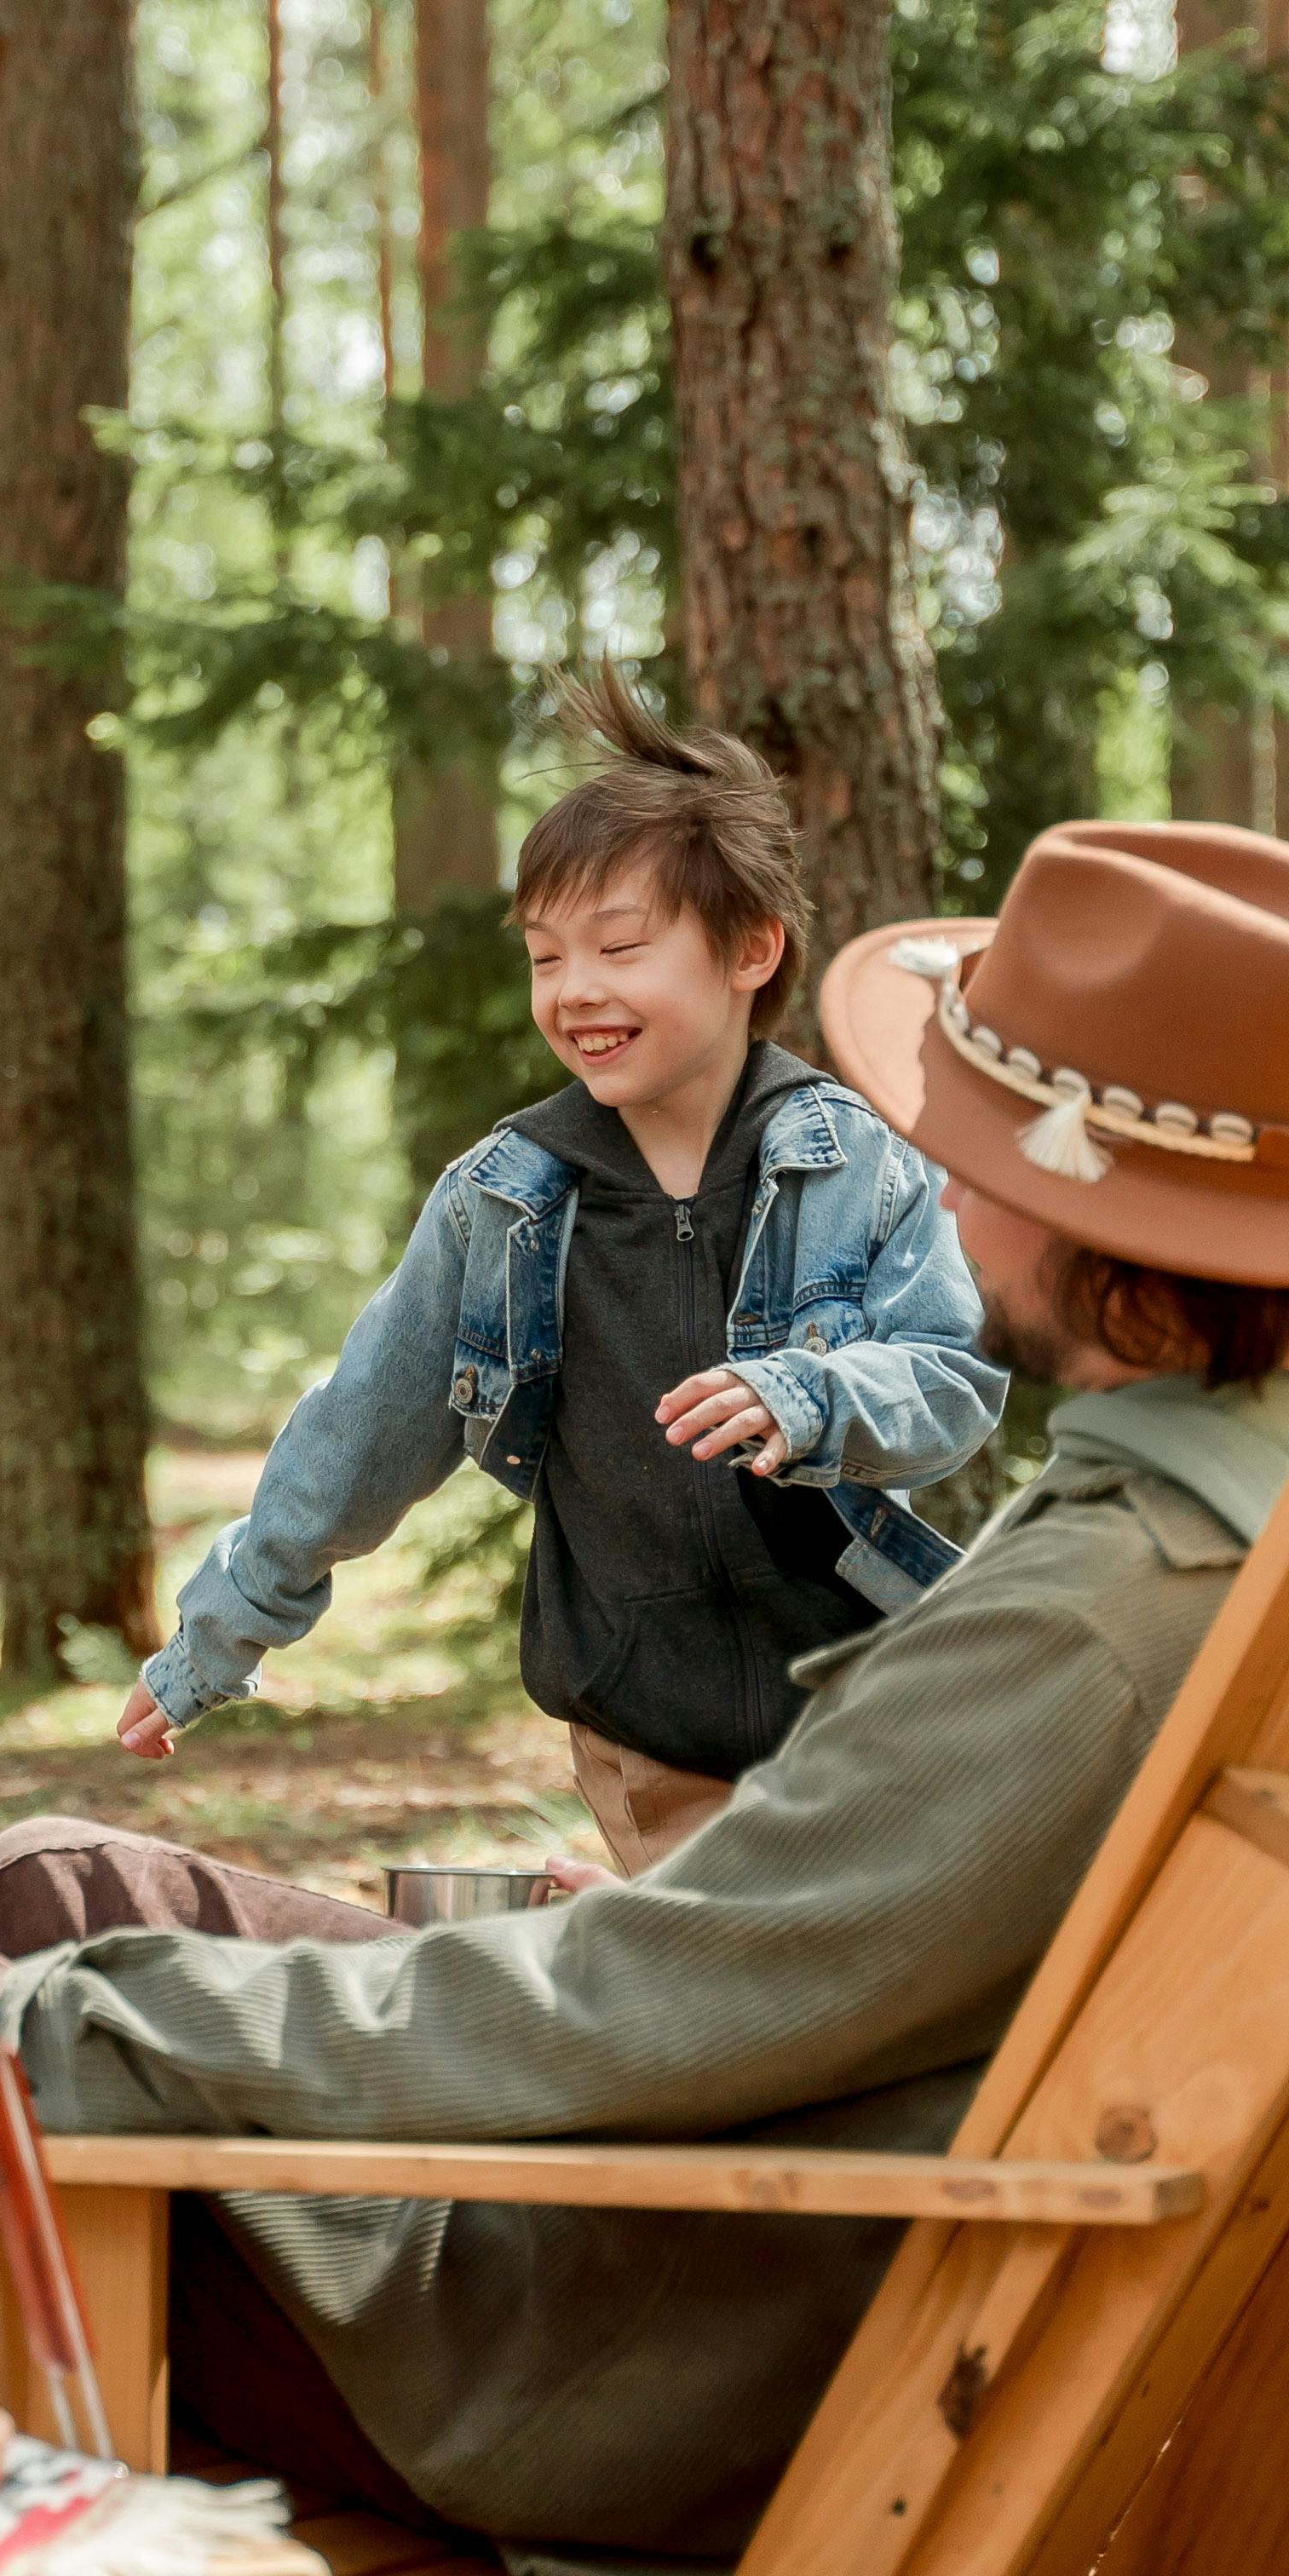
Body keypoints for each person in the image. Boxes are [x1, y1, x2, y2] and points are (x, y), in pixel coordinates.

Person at [0, 819, 1289, 2564]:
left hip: (623, 2345)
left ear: (1068, 1201)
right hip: (754, 2191)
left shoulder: (1087, 1620)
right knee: (57, 1881)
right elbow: (803, 1948)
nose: (947, 1174)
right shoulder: (1277, 1534)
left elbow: (642, 2008)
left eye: (972, 1141)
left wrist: (22, 2039)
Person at [116, 668, 1001, 1876]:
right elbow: (358, 1434)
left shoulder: (859, 1161)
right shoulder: (504, 1199)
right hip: (644, 1730)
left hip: (867, 1709)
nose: (576, 988)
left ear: (752, 949)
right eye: (546, 957)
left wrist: (812, 1398)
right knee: (719, 2008)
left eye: (621, 946)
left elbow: (950, 1383)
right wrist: (212, 1642)